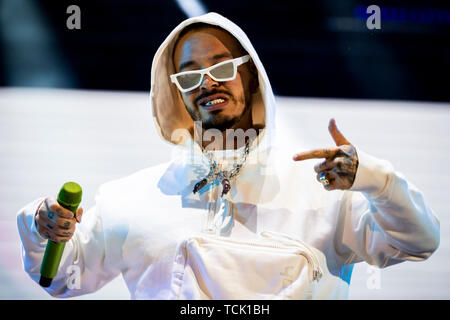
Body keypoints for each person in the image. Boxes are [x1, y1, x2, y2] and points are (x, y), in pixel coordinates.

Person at [17, 12, 439, 299]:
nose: (208, 83)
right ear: (175, 89)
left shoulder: (325, 190)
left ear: (251, 75)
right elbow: (59, 279)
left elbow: (418, 242)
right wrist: (43, 229)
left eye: (221, 67)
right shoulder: (131, 197)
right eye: (191, 74)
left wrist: (376, 181)